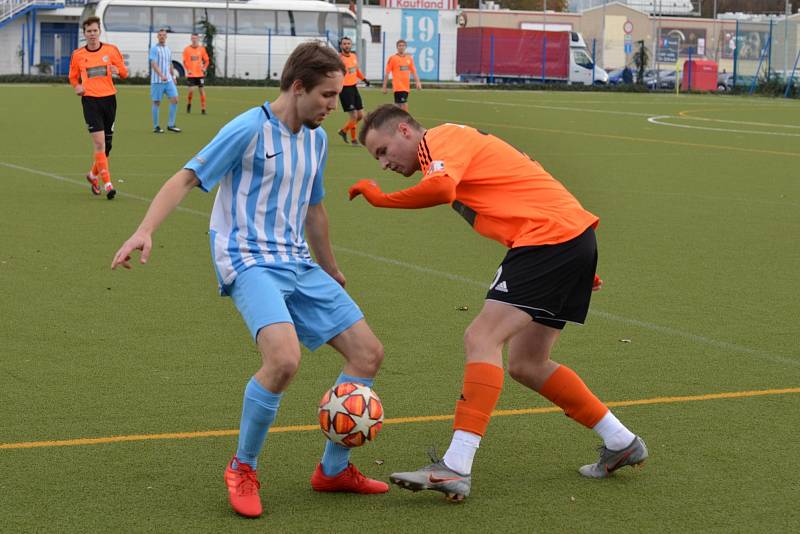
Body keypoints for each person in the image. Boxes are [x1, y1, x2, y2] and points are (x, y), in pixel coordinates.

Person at [111, 42, 388, 518]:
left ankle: (333, 470)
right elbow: (185, 178)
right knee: (283, 360)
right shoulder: (247, 129)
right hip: (247, 259)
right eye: (326, 94)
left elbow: (314, 208)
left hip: (297, 261)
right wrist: (144, 230)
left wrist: (330, 267)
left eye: (337, 95)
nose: (333, 105)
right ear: (297, 86)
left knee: (368, 353)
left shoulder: (318, 140)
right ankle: (242, 467)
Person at [348, 104, 648, 502]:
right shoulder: (446, 153)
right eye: (377, 159)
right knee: (528, 364)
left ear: (405, 130)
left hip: (549, 239)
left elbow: (441, 191)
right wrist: (574, 260)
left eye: (383, 151)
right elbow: (526, 187)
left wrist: (381, 199)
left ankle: (455, 466)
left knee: (481, 338)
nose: (384, 163)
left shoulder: (441, 139)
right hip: (565, 238)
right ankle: (620, 440)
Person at [68, 16, 128, 200]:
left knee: (107, 145)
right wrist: (77, 87)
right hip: (90, 102)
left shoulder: (111, 50)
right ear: (84, 33)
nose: (92, 34)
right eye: (88, 31)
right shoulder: (78, 55)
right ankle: (108, 184)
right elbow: (72, 77)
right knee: (100, 143)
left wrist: (120, 72)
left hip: (109, 100)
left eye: (95, 30)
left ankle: (93, 176)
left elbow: (124, 72)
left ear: (99, 31)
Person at [336, 36, 370, 146]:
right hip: (344, 89)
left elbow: (356, 71)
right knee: (354, 116)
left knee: (360, 115)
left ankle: (343, 131)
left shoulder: (354, 56)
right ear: (341, 45)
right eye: (344, 44)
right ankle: (354, 140)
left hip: (353, 87)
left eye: (348, 43)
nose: (346, 45)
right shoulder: (339, 59)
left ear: (351, 45)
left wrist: (364, 79)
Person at [149, 29, 181, 133]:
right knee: (157, 102)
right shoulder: (154, 49)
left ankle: (171, 125)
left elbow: (170, 64)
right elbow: (153, 64)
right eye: (160, 35)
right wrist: (161, 75)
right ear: (157, 37)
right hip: (157, 81)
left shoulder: (168, 49)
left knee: (175, 99)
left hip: (169, 80)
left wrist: (173, 77)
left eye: (164, 35)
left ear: (166, 37)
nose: (162, 37)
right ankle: (156, 126)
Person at [382, 39, 421, 111]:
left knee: (399, 105)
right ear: (397, 47)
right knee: (403, 106)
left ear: (405, 47)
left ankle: (394, 118)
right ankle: (401, 120)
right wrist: (384, 86)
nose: (401, 47)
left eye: (403, 45)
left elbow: (414, 71)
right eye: (399, 45)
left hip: (406, 86)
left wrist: (418, 82)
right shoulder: (393, 58)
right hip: (398, 86)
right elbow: (387, 73)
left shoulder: (409, 58)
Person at [182, 33, 209, 114]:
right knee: (191, 91)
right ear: (191, 39)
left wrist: (204, 68)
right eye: (193, 38)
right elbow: (184, 61)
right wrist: (188, 69)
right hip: (191, 74)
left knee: (201, 91)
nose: (194, 40)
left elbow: (207, 60)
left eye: (195, 38)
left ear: (198, 39)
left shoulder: (202, 49)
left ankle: (203, 109)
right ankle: (189, 104)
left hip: (200, 74)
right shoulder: (187, 49)